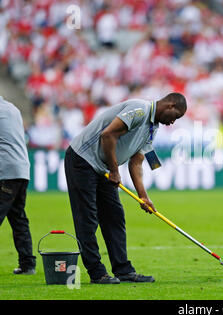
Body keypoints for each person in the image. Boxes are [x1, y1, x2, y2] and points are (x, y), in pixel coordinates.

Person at [64, 92, 187, 284]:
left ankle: (123, 270)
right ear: (170, 105)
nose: (173, 122)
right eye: (175, 117)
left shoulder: (153, 129)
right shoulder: (139, 109)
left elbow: (136, 163)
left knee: (114, 216)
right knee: (87, 218)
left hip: (104, 167)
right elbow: (108, 134)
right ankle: (97, 273)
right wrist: (114, 170)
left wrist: (143, 197)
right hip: (82, 159)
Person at [0, 96, 36, 275]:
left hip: (5, 171)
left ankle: (28, 263)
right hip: (22, 170)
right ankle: (27, 263)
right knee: (18, 218)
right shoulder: (12, 108)